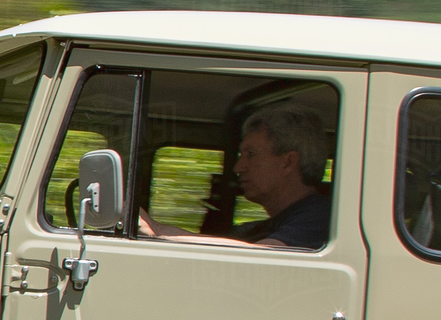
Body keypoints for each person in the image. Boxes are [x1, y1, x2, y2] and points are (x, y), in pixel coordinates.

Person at [140, 104, 331, 250]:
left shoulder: (319, 219)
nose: (238, 167)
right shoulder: (262, 227)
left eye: (251, 154)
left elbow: (260, 257)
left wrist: (157, 231)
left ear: (288, 162)